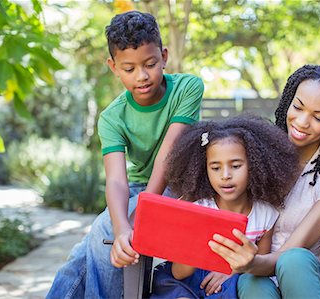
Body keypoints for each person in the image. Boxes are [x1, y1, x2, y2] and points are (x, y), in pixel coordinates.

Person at [47, 10, 204, 298]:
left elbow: (168, 158)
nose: (142, 76)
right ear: (113, 66)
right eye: (129, 69)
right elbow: (117, 181)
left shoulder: (187, 88)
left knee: (102, 230)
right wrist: (122, 230)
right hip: (135, 187)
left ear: (164, 56)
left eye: (150, 64)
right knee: (81, 257)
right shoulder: (112, 117)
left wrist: (140, 213)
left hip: (178, 186)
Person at [208, 64, 320, 299]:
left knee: (294, 260)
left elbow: (291, 251)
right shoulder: (255, 153)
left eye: (319, 117)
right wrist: (235, 264)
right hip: (252, 274)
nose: (302, 122)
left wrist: (247, 263)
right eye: (298, 107)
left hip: (304, 276)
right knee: (252, 284)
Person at [150, 115, 299, 299]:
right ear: (204, 169)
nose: (225, 175)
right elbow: (179, 273)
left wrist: (233, 271)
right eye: (215, 168)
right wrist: (194, 247)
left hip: (231, 284)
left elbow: (260, 268)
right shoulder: (197, 209)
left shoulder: (266, 216)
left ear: (255, 165)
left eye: (235, 166)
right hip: (187, 281)